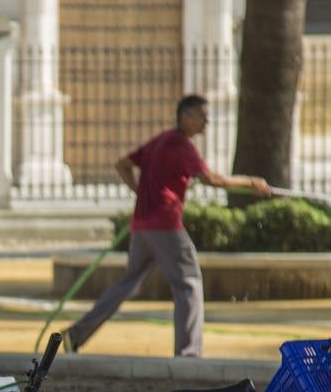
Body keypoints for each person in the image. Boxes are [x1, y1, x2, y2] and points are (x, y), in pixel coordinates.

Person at [62, 94, 272, 358]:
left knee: (127, 284)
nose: (207, 122)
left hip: (142, 227)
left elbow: (122, 165)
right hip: (165, 225)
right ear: (185, 116)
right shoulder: (181, 145)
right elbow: (212, 179)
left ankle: (76, 335)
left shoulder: (160, 141)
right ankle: (188, 353)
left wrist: (140, 192)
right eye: (202, 116)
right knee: (189, 283)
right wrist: (252, 183)